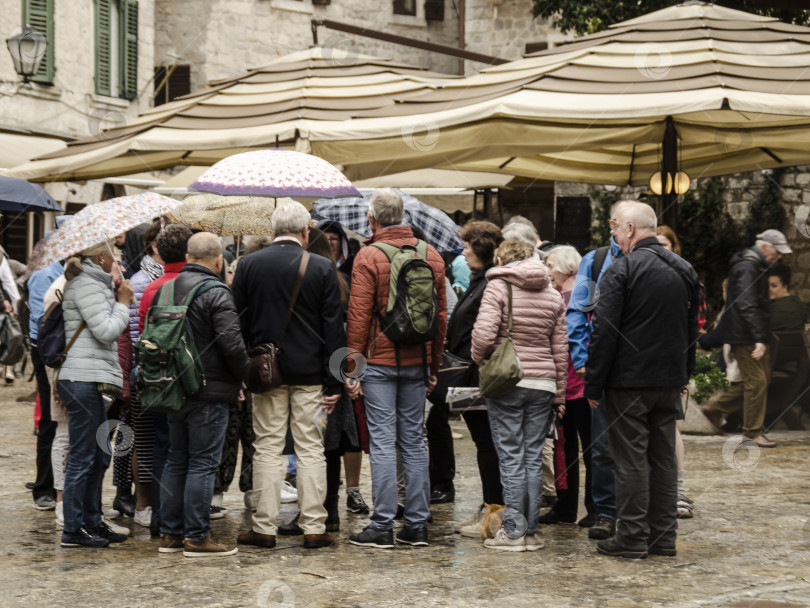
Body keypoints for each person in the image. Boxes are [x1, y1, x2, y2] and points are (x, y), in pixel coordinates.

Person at [585, 201, 700, 559]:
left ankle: (632, 536)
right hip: (668, 380)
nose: (614, 234)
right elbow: (691, 329)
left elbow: (604, 332)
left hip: (629, 382)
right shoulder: (684, 269)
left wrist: (593, 383)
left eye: (615, 227)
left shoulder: (622, 270)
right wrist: (684, 374)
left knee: (630, 459)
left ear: (630, 229)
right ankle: (664, 536)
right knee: (664, 458)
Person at [234, 201, 344, 551]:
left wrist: (240, 370)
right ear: (305, 231)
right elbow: (333, 329)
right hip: (312, 374)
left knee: (266, 447)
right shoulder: (324, 267)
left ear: (272, 230)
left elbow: (236, 323)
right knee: (312, 448)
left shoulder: (249, 265)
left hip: (266, 374)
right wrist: (336, 380)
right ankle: (314, 526)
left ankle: (264, 527)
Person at [345, 188, 447, 549]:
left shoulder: (368, 256)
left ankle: (382, 524)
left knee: (384, 442)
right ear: (403, 216)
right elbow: (441, 317)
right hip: (418, 361)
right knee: (414, 442)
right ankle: (417, 525)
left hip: (379, 363)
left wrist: (352, 370)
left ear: (371, 219)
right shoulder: (431, 255)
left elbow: (358, 318)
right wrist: (433, 364)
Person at [470, 239, 567, 552]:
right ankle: (530, 532)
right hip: (544, 384)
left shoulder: (499, 287)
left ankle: (513, 533)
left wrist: (478, 357)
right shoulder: (552, 293)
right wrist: (560, 394)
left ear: (501, 258)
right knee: (532, 458)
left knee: (511, 457)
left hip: (508, 380)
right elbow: (560, 349)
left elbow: (483, 336)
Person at [157, 232, 249, 558]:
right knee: (203, 463)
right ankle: (197, 536)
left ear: (187, 255)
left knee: (176, 458)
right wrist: (243, 376)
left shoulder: (166, 287)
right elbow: (232, 345)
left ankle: (170, 534)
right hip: (209, 391)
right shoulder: (216, 292)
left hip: (171, 388)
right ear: (218, 259)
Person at [57, 241, 133, 548]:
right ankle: (73, 529)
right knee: (83, 455)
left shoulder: (96, 284)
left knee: (100, 455)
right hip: (81, 379)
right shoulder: (88, 284)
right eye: (115, 257)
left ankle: (91, 520)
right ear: (101, 257)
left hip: (92, 379)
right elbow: (105, 330)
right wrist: (124, 302)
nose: (120, 262)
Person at [566, 200, 627, 539]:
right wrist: (582, 362)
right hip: (603, 368)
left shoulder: (652, 257)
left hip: (639, 368)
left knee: (638, 445)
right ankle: (604, 511)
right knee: (602, 445)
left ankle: (634, 510)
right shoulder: (596, 260)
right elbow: (576, 312)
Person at [698, 229, 792, 448]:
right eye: (777, 252)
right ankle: (752, 433)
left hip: (746, 331)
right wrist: (759, 337)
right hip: (745, 334)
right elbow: (746, 303)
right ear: (766, 247)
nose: (779, 257)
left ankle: (715, 409)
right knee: (757, 381)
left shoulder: (751, 264)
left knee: (759, 381)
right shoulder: (749, 267)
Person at [442, 221, 504, 538]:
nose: (463, 251)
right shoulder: (480, 280)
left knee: (487, 443)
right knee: (484, 443)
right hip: (469, 374)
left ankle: (494, 515)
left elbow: (485, 334)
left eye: (467, 246)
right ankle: (488, 507)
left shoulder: (491, 283)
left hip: (478, 376)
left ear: (481, 249)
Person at [138, 225, 194, 533]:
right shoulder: (200, 285)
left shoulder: (151, 288)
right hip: (191, 380)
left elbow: (145, 334)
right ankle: (186, 519)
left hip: (159, 379)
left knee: (164, 448)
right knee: (192, 452)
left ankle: (161, 518)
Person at [539, 245, 594, 526]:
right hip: (575, 384)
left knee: (570, 447)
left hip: (574, 384)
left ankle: (571, 506)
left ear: (565, 268)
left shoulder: (567, 298)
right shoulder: (581, 294)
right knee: (581, 447)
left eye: (550, 265)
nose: (548, 271)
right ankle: (584, 506)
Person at [655, 226, 696, 519]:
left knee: (671, 427)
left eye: (665, 244)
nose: (660, 249)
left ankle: (677, 490)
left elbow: (690, 328)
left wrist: (683, 370)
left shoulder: (684, 277)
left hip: (670, 363)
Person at [26, 259, 64, 512]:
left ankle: (58, 485)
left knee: (60, 421)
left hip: (63, 351)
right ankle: (43, 487)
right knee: (50, 419)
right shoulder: (45, 275)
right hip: (48, 352)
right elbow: (43, 319)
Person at [768, 265, 808, 330]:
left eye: (774, 286)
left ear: (784, 287)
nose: (769, 289)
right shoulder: (798, 302)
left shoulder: (778, 308)